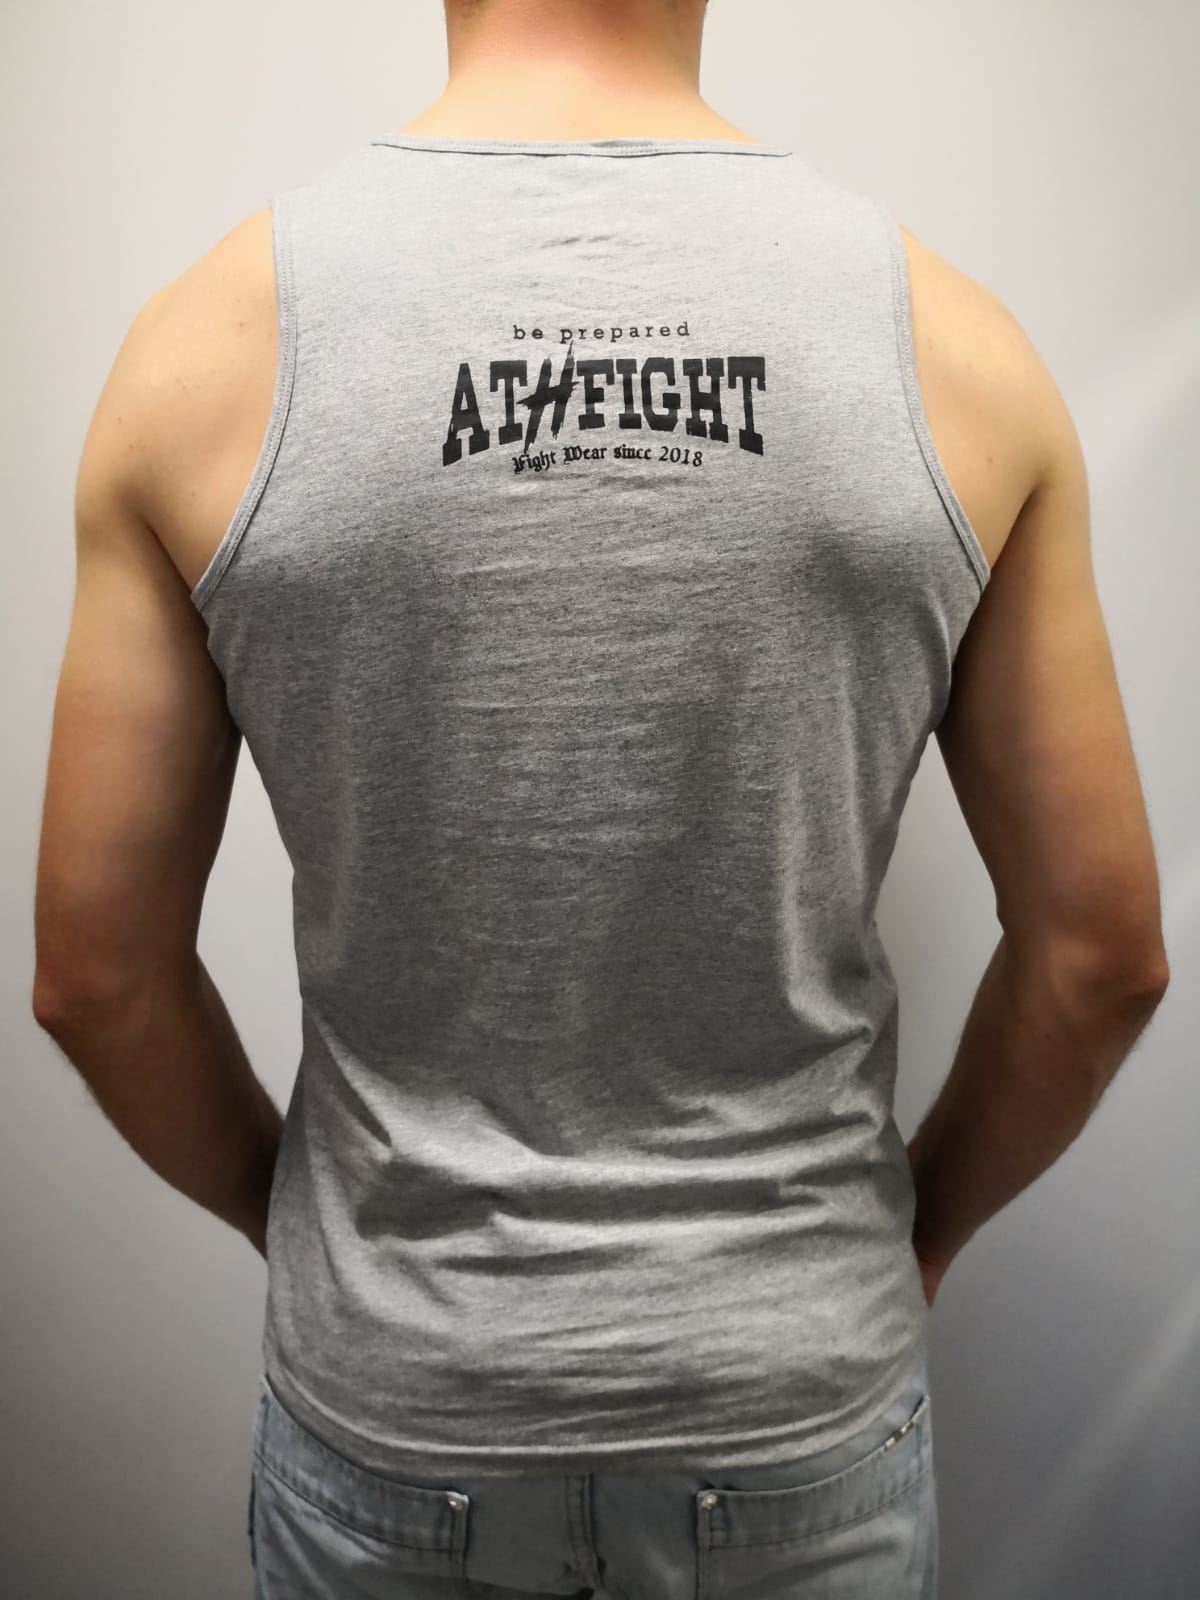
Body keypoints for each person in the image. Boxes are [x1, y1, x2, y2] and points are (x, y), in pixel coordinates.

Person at [33, 2, 1169, 1596]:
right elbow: (1102, 958)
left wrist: (313, 1237)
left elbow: (95, 977)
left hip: (398, 1409)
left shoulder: (201, 358)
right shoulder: (959, 355)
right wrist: (908, 1240)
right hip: (798, 1401)